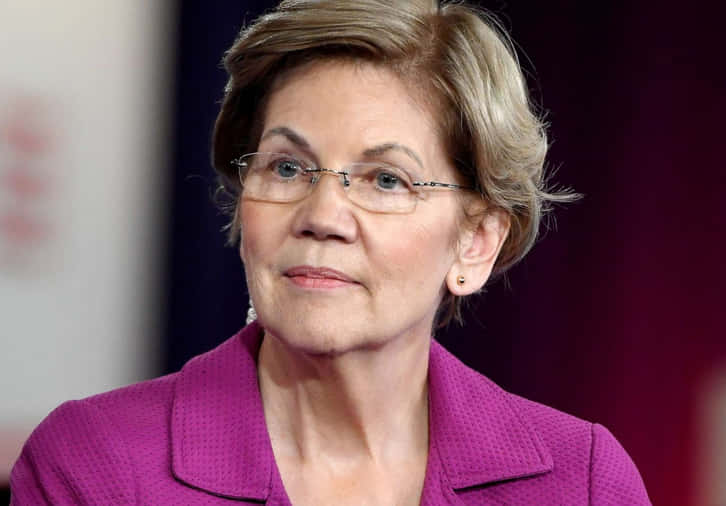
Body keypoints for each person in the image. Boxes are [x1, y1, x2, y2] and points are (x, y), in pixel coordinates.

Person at [11, 1, 651, 504]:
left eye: (386, 180)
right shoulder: (99, 466)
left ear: (476, 243)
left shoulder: (579, 482)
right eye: (287, 168)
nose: (321, 217)